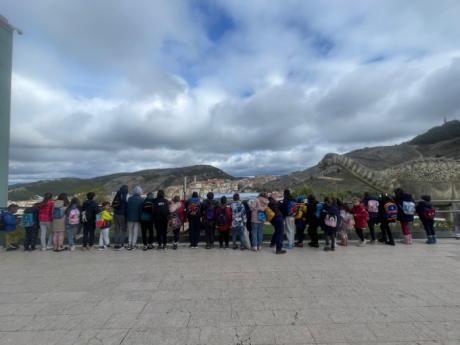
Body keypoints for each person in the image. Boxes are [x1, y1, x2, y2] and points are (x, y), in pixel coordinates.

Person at [112, 185, 129, 250]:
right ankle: (121, 244)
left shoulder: (117, 194)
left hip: (115, 214)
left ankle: (116, 244)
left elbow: (113, 204)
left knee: (117, 229)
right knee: (123, 229)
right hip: (122, 215)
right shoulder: (126, 195)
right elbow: (127, 206)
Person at [126, 186, 143, 250]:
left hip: (129, 218)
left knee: (130, 231)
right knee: (135, 232)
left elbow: (127, 208)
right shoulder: (141, 199)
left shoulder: (129, 199)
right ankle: (133, 245)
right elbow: (141, 211)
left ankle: (129, 244)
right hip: (137, 218)